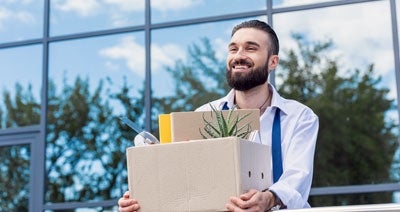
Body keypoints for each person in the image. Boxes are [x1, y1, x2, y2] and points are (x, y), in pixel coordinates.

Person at [118, 19, 319, 212]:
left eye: (251, 48)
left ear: (273, 61)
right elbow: (185, 185)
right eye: (233, 49)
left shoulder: (299, 117)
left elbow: (298, 178)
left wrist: (269, 198)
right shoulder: (204, 115)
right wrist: (144, 201)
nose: (239, 56)